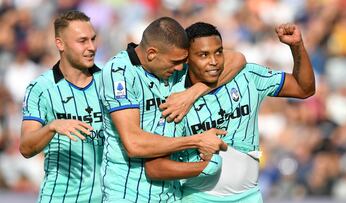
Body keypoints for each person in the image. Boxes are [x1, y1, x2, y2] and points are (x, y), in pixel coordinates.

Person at [145, 22, 315, 203]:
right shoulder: (174, 98)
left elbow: (303, 88)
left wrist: (297, 46)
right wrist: (204, 166)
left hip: (249, 196)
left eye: (218, 52)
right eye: (203, 55)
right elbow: (155, 167)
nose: (213, 61)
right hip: (197, 197)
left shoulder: (247, 76)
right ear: (187, 58)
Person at [99, 17, 246, 202]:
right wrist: (196, 141)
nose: (180, 67)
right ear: (152, 53)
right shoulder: (119, 73)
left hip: (172, 195)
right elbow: (134, 144)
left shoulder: (174, 66)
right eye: (175, 62)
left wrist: (193, 92)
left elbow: (237, 59)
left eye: (183, 61)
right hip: (128, 194)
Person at [20, 10, 104, 202]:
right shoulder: (40, 88)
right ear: (60, 44)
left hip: (106, 198)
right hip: (61, 197)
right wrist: (52, 127)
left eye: (93, 39)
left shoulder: (108, 82)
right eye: (82, 41)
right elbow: (25, 147)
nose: (91, 47)